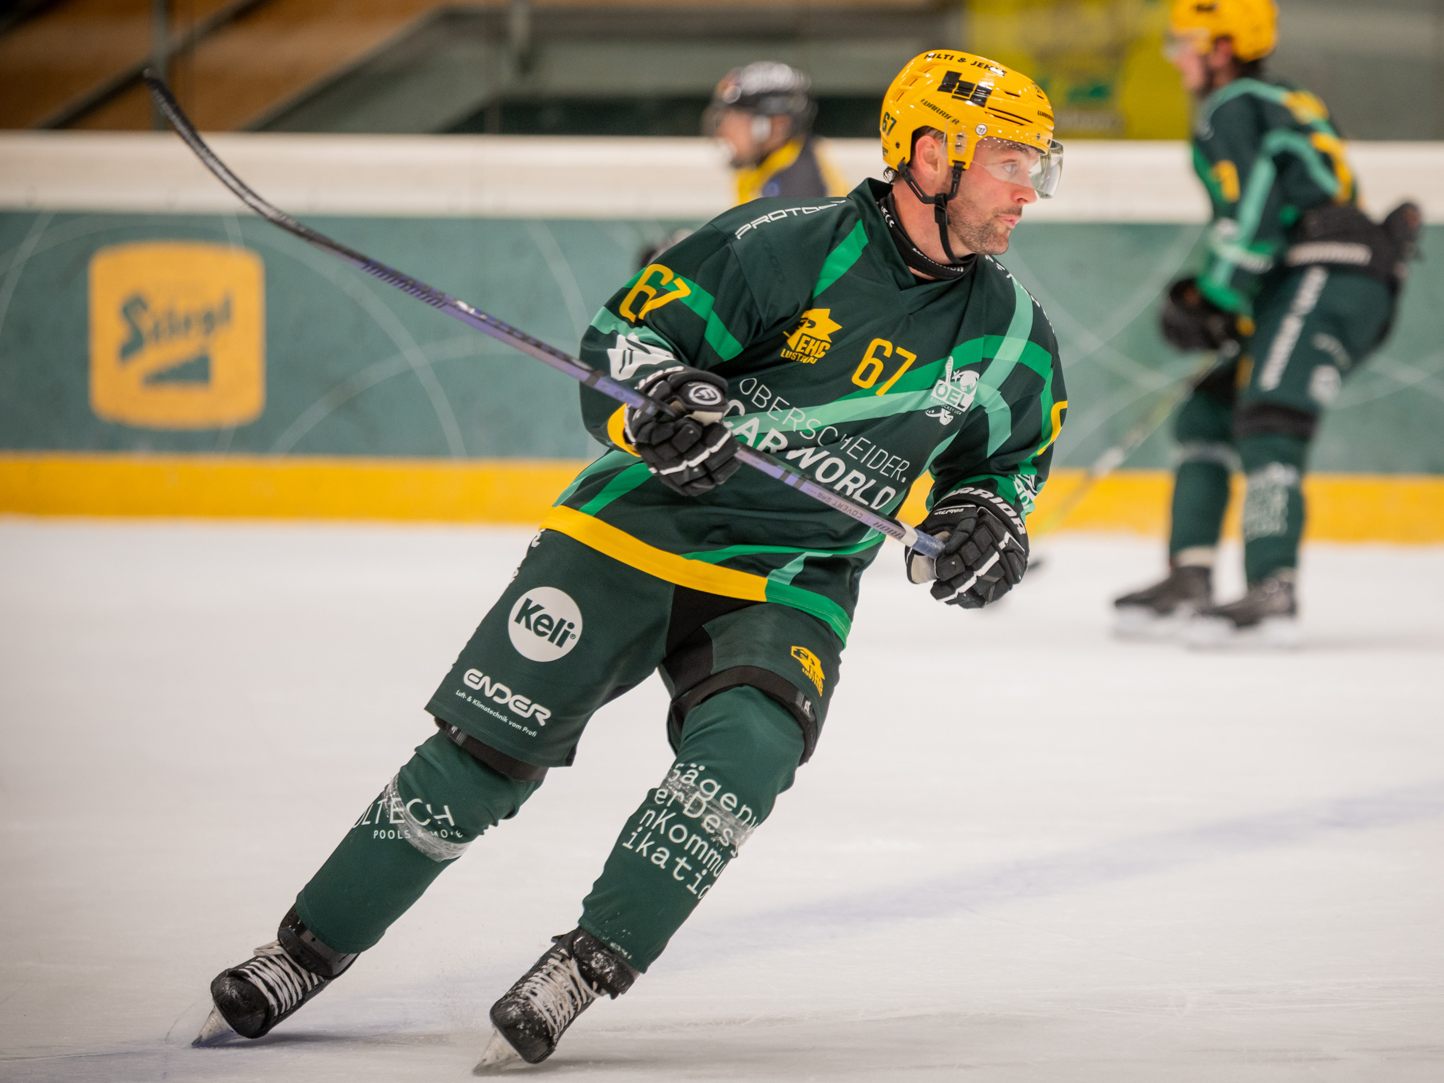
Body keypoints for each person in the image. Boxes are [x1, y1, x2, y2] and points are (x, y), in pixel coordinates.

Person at [195, 49, 1068, 1071]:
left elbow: (1005, 468)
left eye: (1037, 165)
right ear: (931, 152)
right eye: (1011, 160)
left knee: (746, 756)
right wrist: (664, 404)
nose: (1028, 189)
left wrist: (984, 525)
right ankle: (305, 950)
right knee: (482, 755)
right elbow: (621, 344)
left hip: (789, 577)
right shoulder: (775, 245)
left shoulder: (1012, 339)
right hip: (633, 534)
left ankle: (584, 961)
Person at [1113, 0, 1419, 646]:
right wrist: (1237, 300)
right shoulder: (1283, 97)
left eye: (1188, 42)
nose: (1179, 56)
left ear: (1223, 47)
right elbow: (1285, 207)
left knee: (1272, 411)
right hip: (1319, 277)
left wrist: (1216, 295)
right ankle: (1190, 574)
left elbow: (1251, 210)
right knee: (1208, 409)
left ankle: (1271, 586)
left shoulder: (1230, 106)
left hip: (1328, 274)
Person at [705, 60, 849, 204]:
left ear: (778, 124)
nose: (723, 132)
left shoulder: (798, 190)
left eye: (736, 120)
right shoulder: (767, 166)